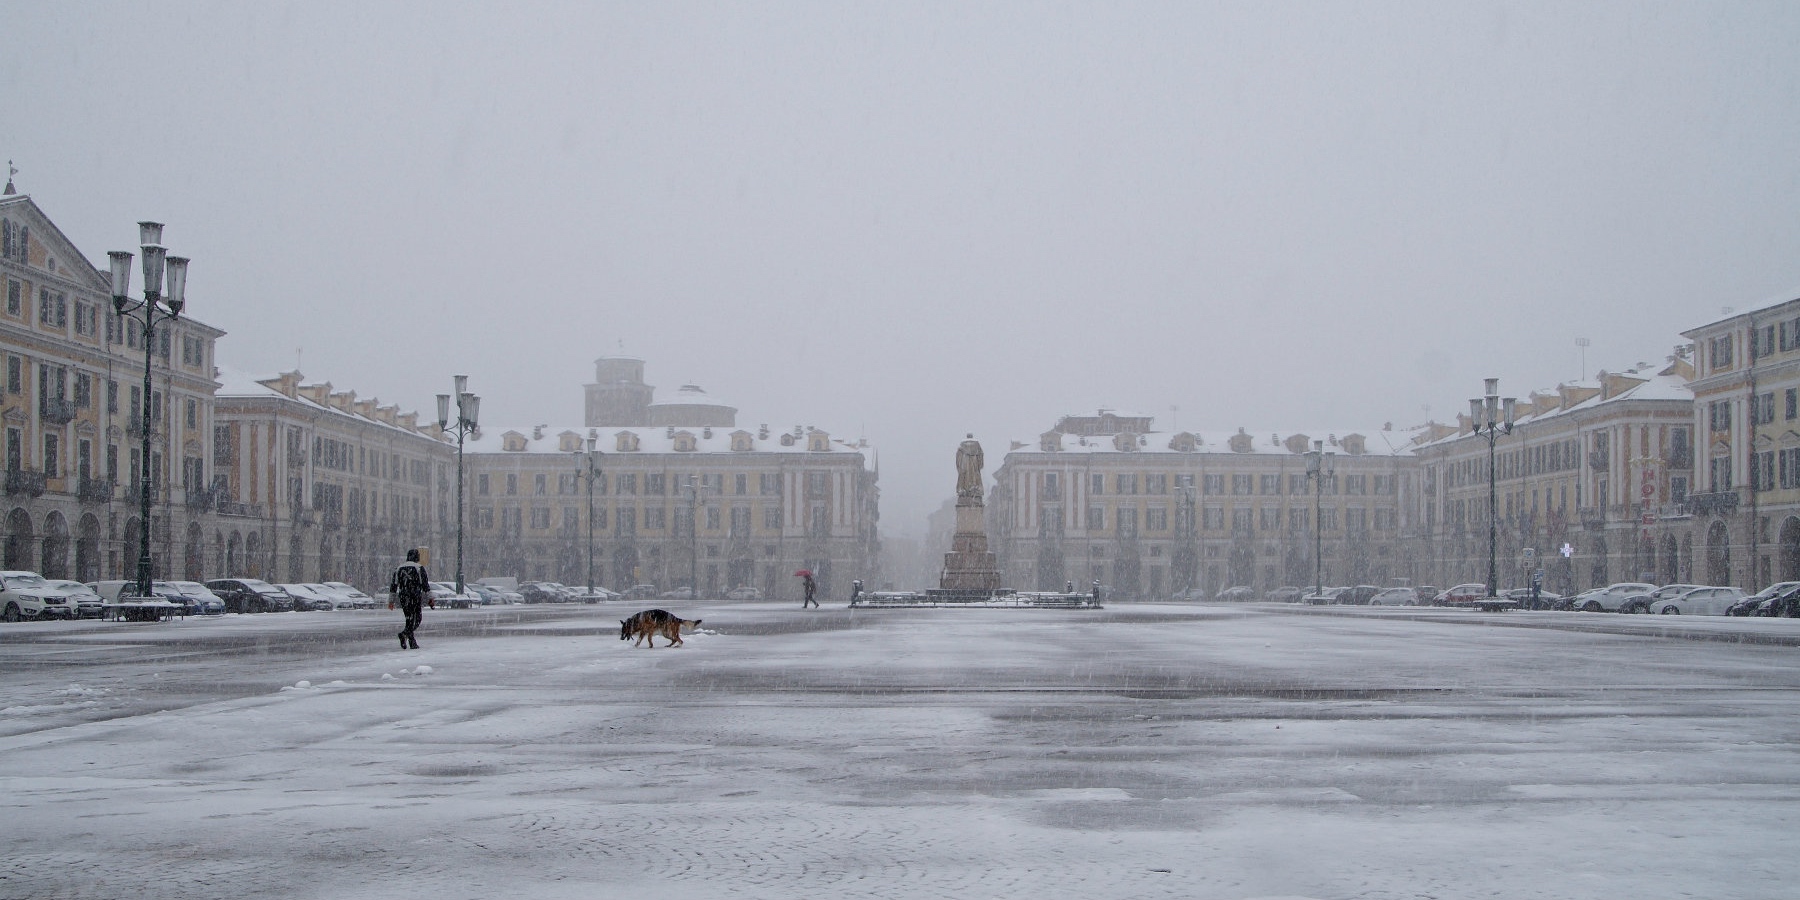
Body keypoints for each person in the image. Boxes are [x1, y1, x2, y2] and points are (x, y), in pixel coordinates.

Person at [388, 549, 431, 650]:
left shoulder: (399, 568)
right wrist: (430, 598)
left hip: (403, 596)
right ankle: (404, 634)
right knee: (417, 619)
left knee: (409, 618)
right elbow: (425, 585)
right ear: (417, 557)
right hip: (415, 596)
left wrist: (391, 601)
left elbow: (393, 586)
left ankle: (412, 642)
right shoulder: (419, 568)